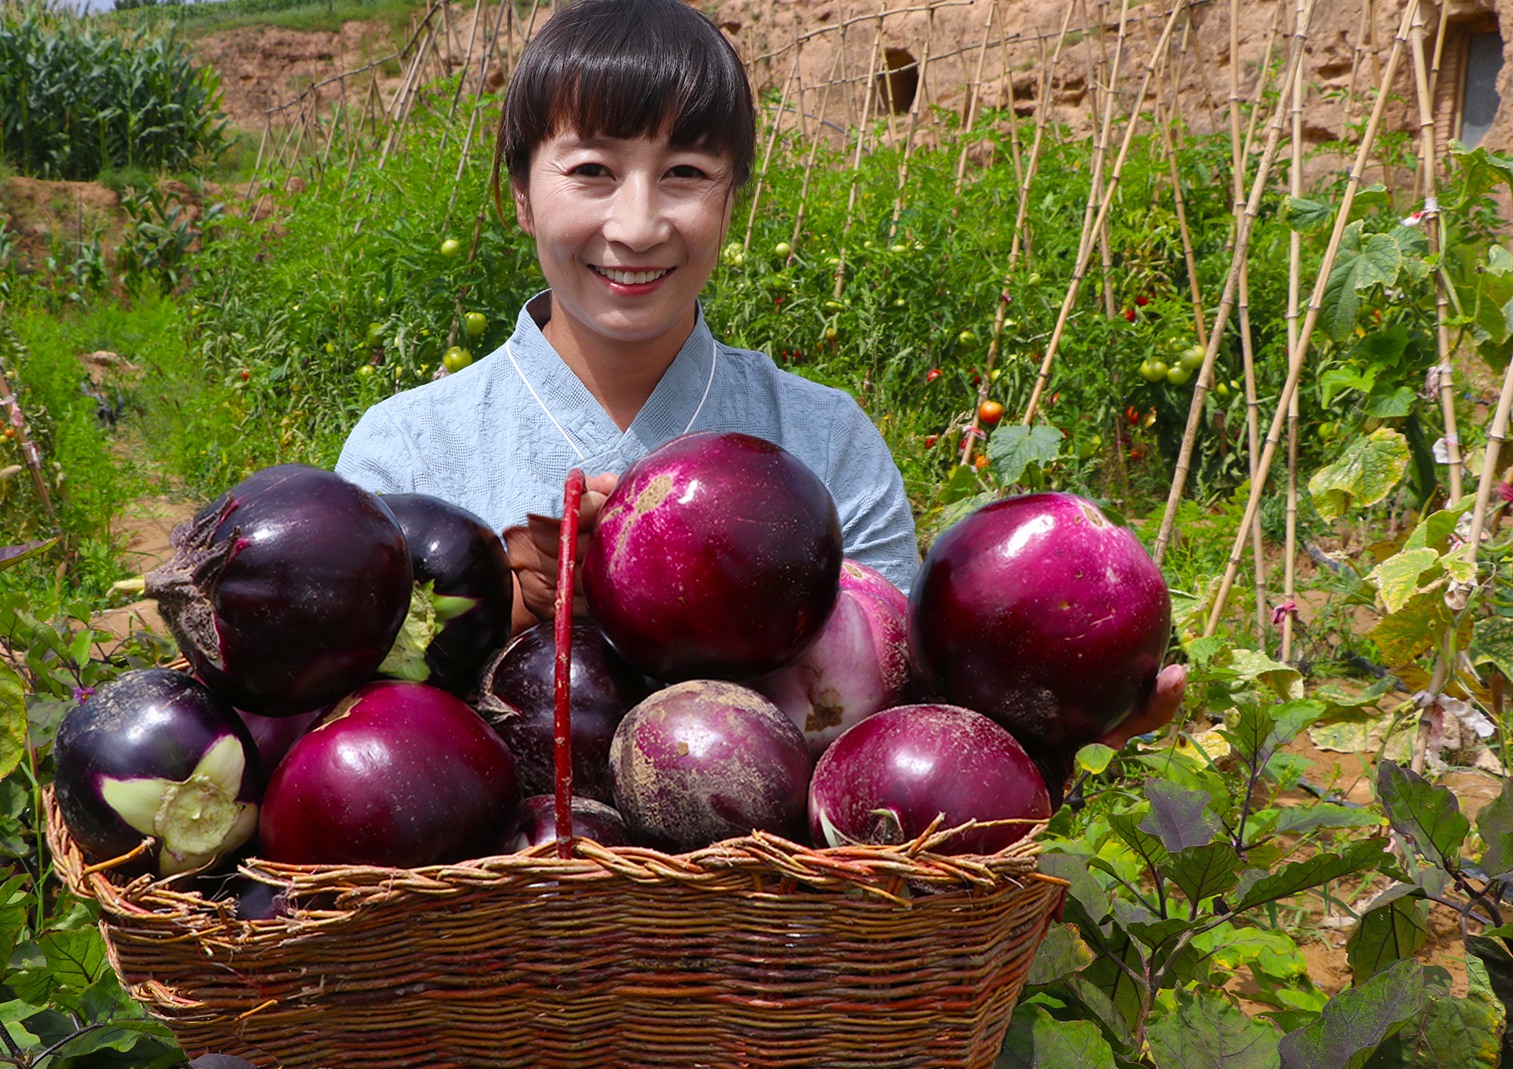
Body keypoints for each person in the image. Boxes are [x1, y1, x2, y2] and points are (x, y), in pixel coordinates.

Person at [336, 0, 1181, 750]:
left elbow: (890, 715)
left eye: (686, 175)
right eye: (591, 171)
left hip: (771, 929)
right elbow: (336, 731)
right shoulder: (405, 453)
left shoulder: (825, 440)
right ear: (520, 193)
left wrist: (1054, 729)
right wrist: (512, 610)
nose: (635, 226)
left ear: (732, 198)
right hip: (486, 929)